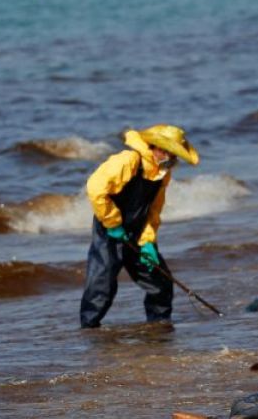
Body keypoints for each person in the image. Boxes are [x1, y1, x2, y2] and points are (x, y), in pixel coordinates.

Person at [79, 125, 198, 329]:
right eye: (172, 154)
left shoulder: (162, 173)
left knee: (160, 281)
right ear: (158, 148)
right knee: (102, 286)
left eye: (176, 155)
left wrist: (148, 241)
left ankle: (159, 327)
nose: (174, 160)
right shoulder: (128, 161)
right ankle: (89, 330)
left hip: (138, 230)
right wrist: (113, 222)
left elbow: (153, 210)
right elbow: (95, 188)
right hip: (109, 231)